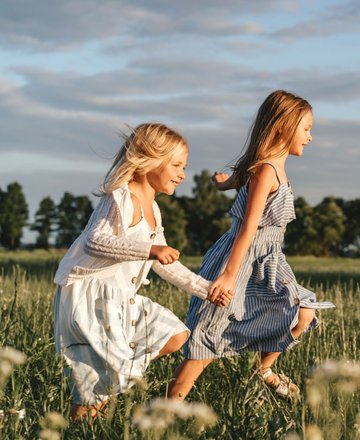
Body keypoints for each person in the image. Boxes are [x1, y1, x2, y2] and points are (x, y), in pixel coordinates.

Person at [53, 123, 230, 420]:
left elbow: (167, 265)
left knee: (175, 335)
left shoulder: (154, 210)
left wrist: (207, 289)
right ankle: (82, 422)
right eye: (176, 165)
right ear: (148, 159)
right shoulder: (120, 197)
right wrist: (149, 250)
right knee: (95, 384)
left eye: (183, 166)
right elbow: (95, 241)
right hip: (91, 297)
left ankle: (106, 388)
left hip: (120, 300)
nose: (182, 174)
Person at [168, 90, 335, 400]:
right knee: (207, 336)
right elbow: (248, 226)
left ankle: (264, 370)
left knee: (303, 313)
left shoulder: (266, 168)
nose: (310, 137)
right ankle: (166, 409)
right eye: (306, 128)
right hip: (239, 258)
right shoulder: (265, 171)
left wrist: (223, 183)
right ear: (284, 126)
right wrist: (229, 275)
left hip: (268, 258)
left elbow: (239, 176)